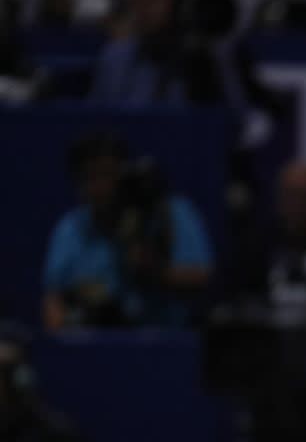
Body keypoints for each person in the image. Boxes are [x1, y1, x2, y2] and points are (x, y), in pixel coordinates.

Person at [43, 131, 213, 328]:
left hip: (163, 341)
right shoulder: (69, 229)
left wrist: (155, 271)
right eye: (90, 177)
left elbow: (201, 277)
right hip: (96, 343)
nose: (101, 187)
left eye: (108, 174)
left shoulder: (170, 213)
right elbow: (54, 299)